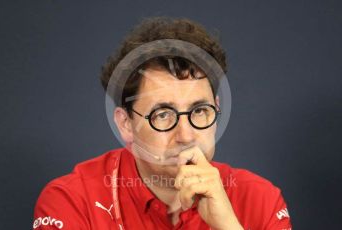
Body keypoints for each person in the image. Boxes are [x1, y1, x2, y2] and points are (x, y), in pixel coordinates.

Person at [33, 17, 292, 230]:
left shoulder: (261, 199)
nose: (187, 135)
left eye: (200, 110)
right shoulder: (72, 200)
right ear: (126, 124)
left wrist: (227, 225)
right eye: (163, 115)